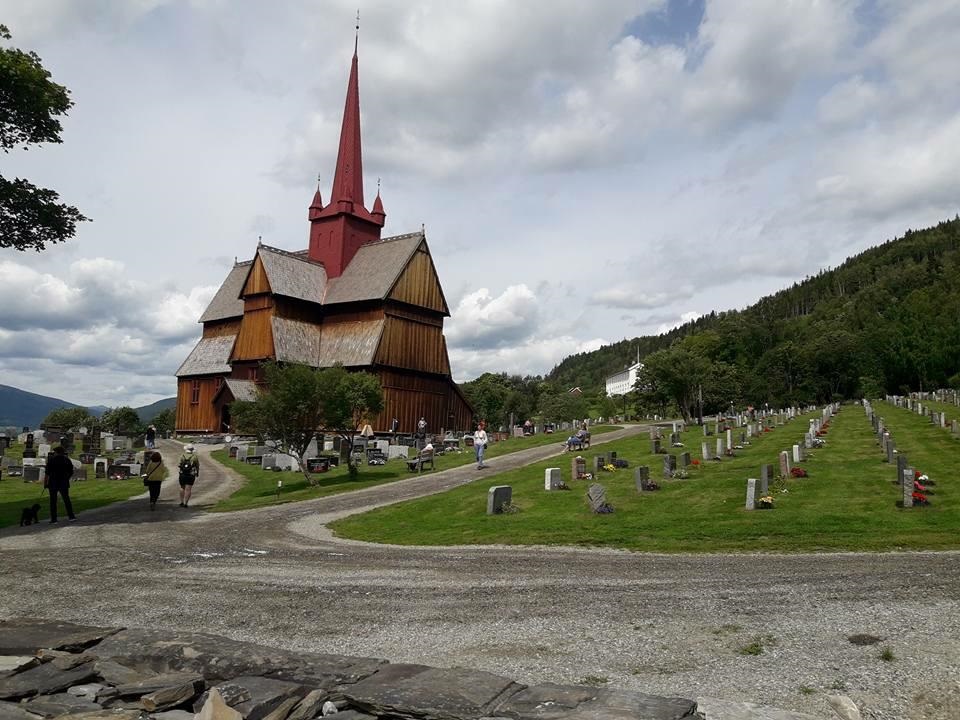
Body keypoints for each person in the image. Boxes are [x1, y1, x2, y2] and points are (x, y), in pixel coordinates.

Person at [45, 446, 77, 523]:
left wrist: (45, 483)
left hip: (53, 482)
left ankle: (54, 519)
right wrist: (67, 478)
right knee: (66, 500)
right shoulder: (67, 460)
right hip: (63, 482)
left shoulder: (51, 460)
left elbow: (47, 473)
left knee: (53, 501)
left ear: (56, 452)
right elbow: (71, 471)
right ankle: (71, 516)